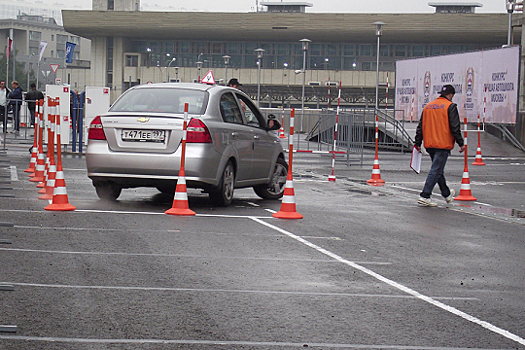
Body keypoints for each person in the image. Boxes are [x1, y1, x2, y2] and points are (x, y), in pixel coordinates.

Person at [414, 84, 465, 207]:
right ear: (451, 95)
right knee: (436, 170)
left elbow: (420, 126)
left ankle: (447, 194)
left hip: (430, 143)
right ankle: (425, 195)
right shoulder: (450, 106)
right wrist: (461, 143)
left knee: (438, 169)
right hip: (443, 143)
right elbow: (455, 127)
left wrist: (417, 142)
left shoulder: (428, 106)